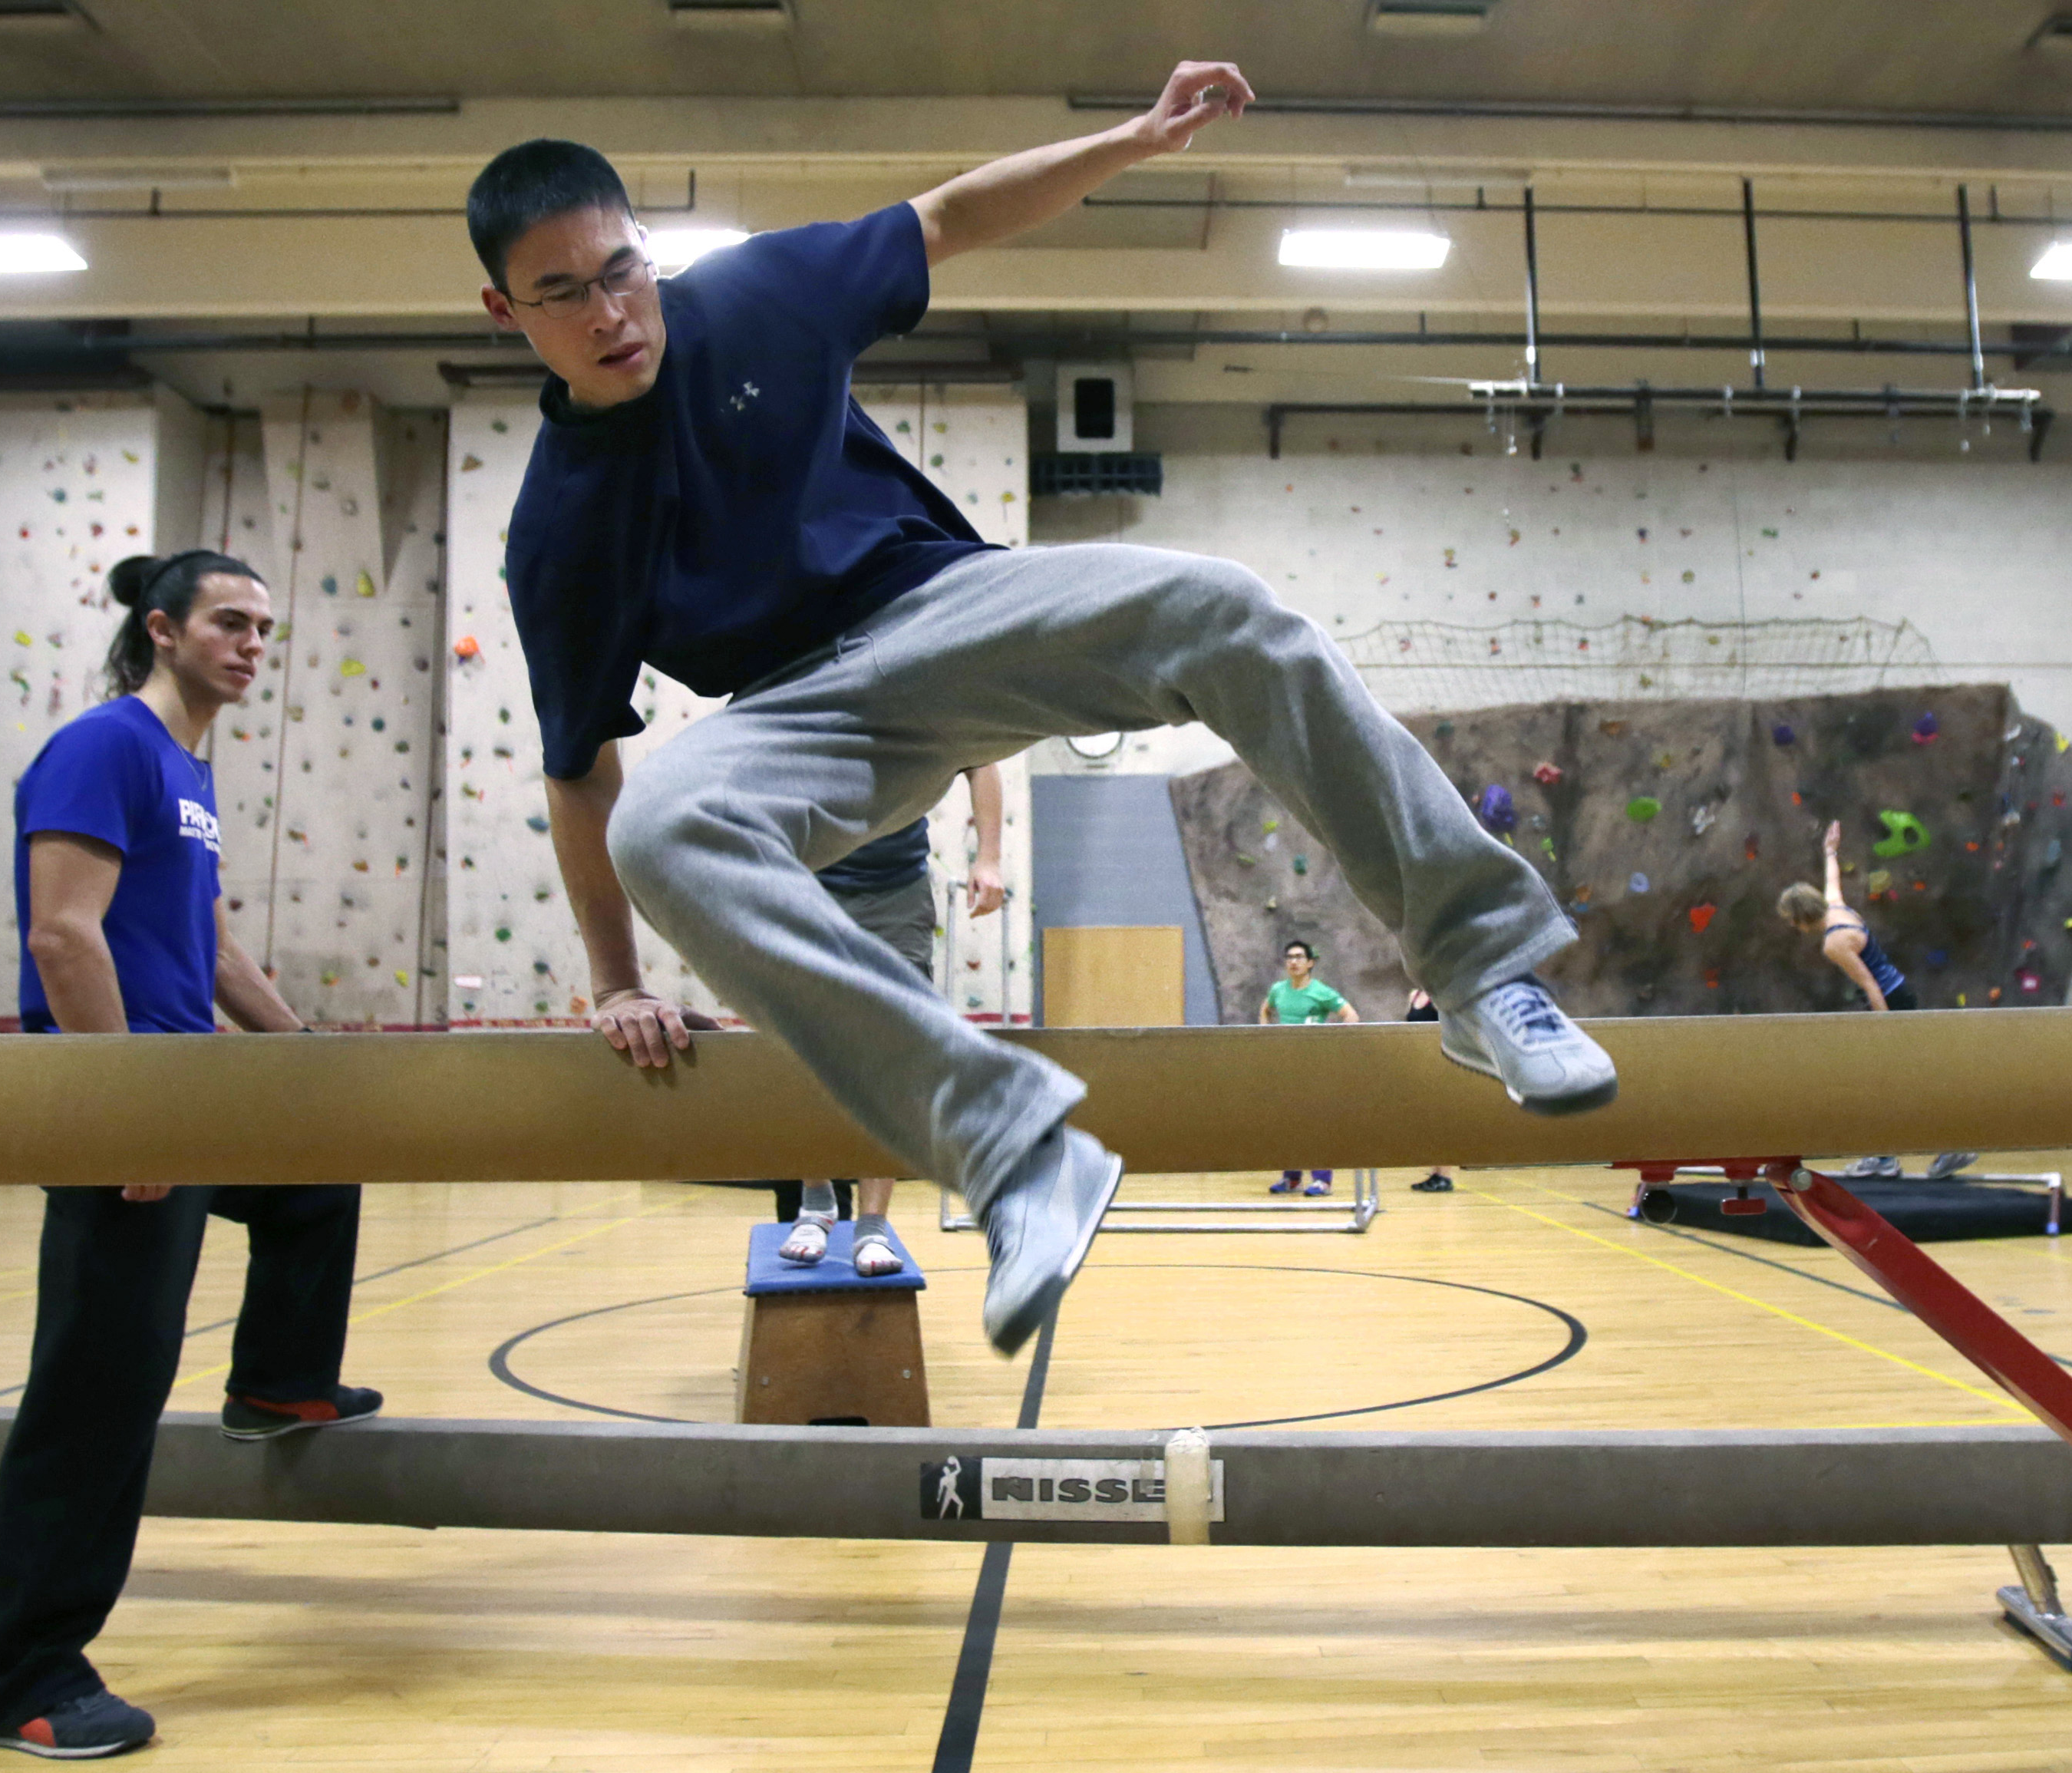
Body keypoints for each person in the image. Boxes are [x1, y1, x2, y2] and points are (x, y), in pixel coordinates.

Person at [470, 61, 1614, 1357]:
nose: (609, 312)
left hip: (941, 616)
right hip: (794, 721)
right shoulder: (554, 534)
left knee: (1219, 602)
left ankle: (1475, 972)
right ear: (506, 312)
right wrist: (614, 983)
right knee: (661, 825)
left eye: (618, 268)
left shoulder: (748, 298)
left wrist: (1131, 137)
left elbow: (950, 216)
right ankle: (1012, 1149)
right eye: (561, 293)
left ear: (643, 251)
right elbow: (580, 771)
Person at [0, 550, 381, 1761]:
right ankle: (28, 1678)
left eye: (265, 627)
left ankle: (275, 1381)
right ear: (162, 629)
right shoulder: (107, 746)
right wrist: (127, 1111)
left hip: (184, 1092)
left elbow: (210, 943)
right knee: (97, 1401)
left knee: (319, 1171)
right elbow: (61, 932)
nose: (253, 644)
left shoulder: (190, 773)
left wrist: (304, 1061)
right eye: (229, 623)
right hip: (124, 1102)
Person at [777, 763, 1010, 1274]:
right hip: (807, 881)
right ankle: (815, 1203)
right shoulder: (794, 684)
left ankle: (873, 1226)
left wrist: (989, 858)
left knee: (890, 1058)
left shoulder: (918, 689)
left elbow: (982, 759)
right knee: (805, 1050)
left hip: (896, 891)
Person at [1779, 821, 1978, 1183]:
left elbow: (1870, 985)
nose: (1793, 926)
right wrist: (1829, 852)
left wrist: (1885, 1030)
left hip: (1888, 1002)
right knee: (1889, 1079)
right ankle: (1894, 1154)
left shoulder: (1834, 943)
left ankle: (1904, 1155)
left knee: (1884, 1080)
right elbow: (1833, 882)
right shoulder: (1839, 909)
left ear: (1801, 917)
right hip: (1899, 994)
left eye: (1792, 920)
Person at [1257, 939, 1358, 1197]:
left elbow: (1351, 1016)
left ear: (1310, 963)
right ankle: (1291, 1179)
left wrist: (1331, 1045)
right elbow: (1266, 1010)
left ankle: (1322, 1180)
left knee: (1316, 1122)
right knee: (1288, 1123)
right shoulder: (1278, 990)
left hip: (1315, 1067)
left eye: (1300, 957)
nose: (1294, 961)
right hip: (1285, 1067)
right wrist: (1265, 1035)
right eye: (1289, 957)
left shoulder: (1321, 991)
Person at [1404, 988, 1456, 1193]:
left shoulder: (1446, 993)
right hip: (1420, 1061)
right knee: (1430, 1121)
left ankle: (1445, 1175)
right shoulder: (1414, 995)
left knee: (1444, 1119)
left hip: (1442, 1061)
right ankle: (1435, 1173)